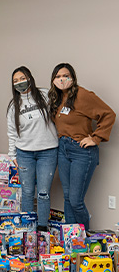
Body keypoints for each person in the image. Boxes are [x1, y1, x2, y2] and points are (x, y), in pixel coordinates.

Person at [49, 63, 116, 231]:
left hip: (81, 152)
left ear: (72, 77)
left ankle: (84, 238)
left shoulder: (83, 95)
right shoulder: (58, 98)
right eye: (57, 77)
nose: (61, 79)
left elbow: (109, 114)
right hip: (63, 149)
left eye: (65, 75)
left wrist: (96, 138)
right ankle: (72, 241)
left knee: (75, 200)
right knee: (67, 198)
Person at [7, 66, 58, 230]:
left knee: (43, 192)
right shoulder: (13, 105)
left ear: (29, 78)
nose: (19, 83)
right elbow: (12, 132)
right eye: (15, 81)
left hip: (48, 151)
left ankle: (42, 229)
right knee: (27, 192)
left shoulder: (45, 95)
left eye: (22, 78)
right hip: (24, 154)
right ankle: (27, 230)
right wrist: (12, 155)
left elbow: (59, 116)